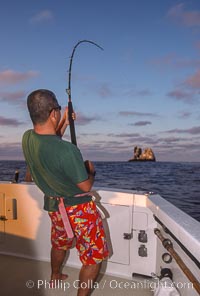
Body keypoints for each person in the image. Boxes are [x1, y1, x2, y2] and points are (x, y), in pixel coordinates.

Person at [22, 89, 109, 296]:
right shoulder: (68, 151)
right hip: (78, 210)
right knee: (92, 257)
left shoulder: (27, 138)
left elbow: (50, 139)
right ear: (53, 113)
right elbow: (86, 187)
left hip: (54, 207)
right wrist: (91, 171)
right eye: (58, 110)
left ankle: (54, 275)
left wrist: (64, 123)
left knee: (59, 242)